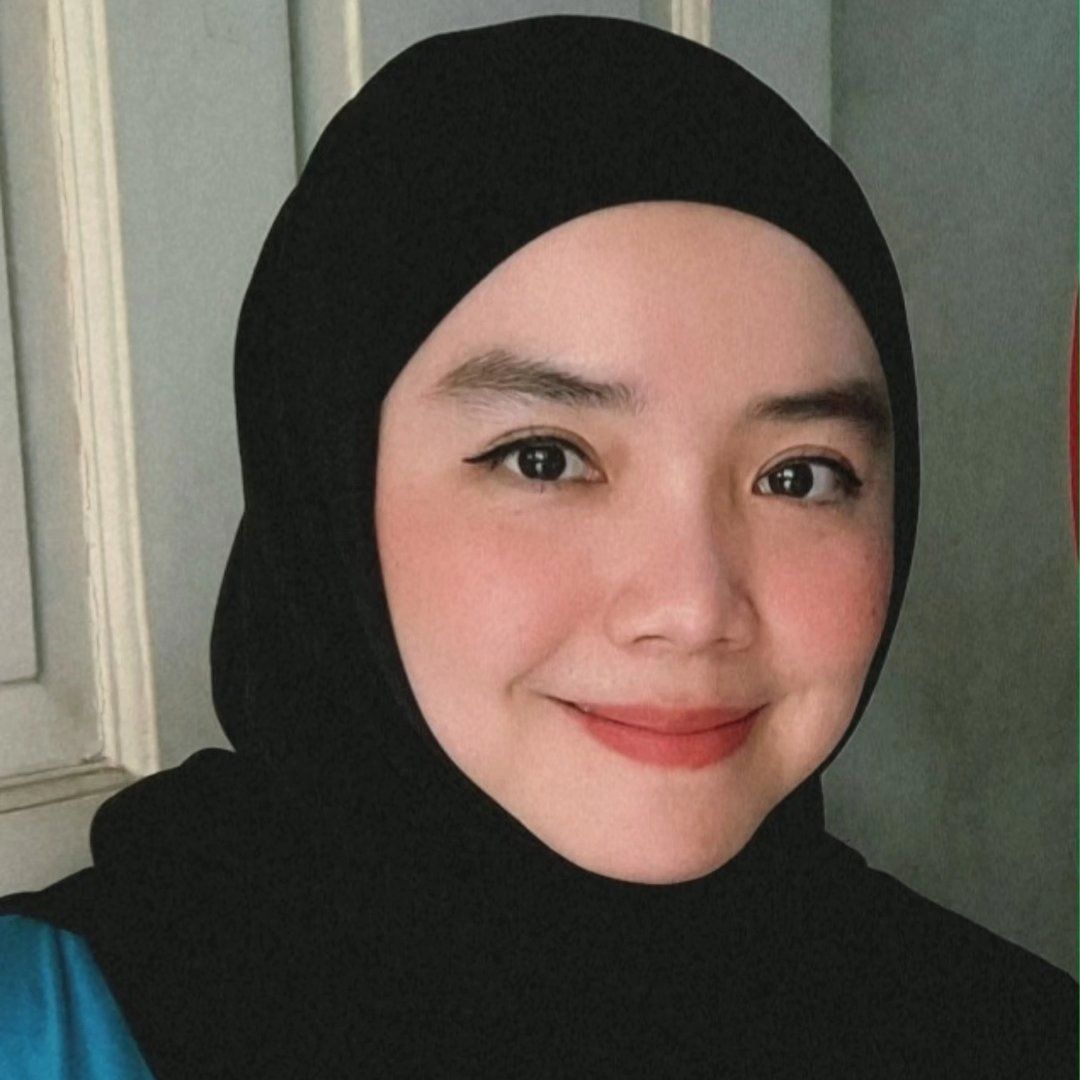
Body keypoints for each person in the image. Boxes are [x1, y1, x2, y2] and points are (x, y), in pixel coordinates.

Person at [0, 14, 1074, 1078]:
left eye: (798, 476)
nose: (694, 607)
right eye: (545, 459)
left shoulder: (1014, 1036)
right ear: (324, 491)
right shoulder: (46, 1032)